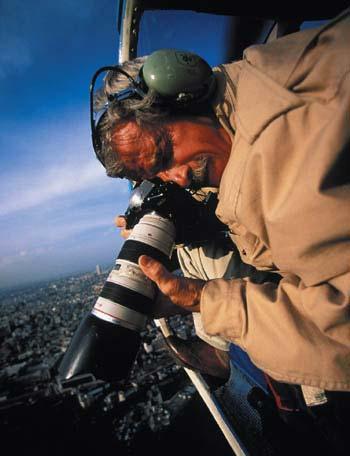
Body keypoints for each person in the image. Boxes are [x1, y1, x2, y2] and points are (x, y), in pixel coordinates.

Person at [95, 9, 349, 453]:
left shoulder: (282, 162)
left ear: (183, 93)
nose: (175, 177)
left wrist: (200, 299)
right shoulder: (255, 78)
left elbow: (340, 332)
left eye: (164, 154)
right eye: (158, 176)